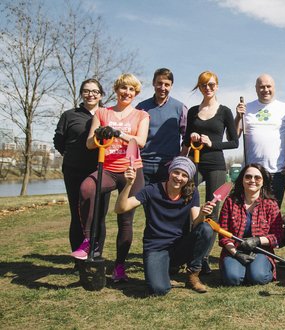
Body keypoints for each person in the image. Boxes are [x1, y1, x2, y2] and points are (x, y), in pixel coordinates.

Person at [71, 73, 150, 283]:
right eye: (123, 88)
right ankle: (89, 241)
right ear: (116, 90)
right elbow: (89, 143)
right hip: (107, 168)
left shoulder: (142, 115)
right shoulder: (102, 113)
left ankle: (119, 267)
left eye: (131, 89)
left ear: (136, 93)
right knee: (87, 188)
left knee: (125, 221)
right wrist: (99, 135)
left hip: (131, 171)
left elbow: (140, 142)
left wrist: (117, 133)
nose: (127, 92)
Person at [114, 156, 216, 295]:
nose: (179, 177)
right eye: (176, 172)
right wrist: (129, 184)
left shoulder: (192, 193)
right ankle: (165, 268)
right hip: (157, 247)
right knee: (158, 289)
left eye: (184, 175)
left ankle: (193, 274)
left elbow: (196, 224)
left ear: (189, 179)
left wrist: (202, 214)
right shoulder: (151, 190)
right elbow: (121, 208)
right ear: (170, 171)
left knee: (206, 228)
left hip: (180, 246)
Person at [181, 70, 239, 273]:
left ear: (217, 86)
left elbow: (234, 142)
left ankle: (203, 257)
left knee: (212, 210)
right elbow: (186, 140)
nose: (208, 88)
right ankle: (186, 251)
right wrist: (192, 137)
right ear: (199, 87)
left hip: (216, 165)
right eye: (204, 85)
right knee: (188, 205)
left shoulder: (224, 111)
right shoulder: (193, 111)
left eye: (212, 85)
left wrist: (211, 142)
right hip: (194, 164)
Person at [54, 78, 110, 254]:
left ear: (101, 95)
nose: (91, 94)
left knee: (99, 215)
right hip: (74, 171)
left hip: (101, 170)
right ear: (81, 93)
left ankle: (95, 253)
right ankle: (79, 258)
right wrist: (74, 156)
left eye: (95, 91)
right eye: (86, 91)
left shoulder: (108, 115)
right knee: (78, 214)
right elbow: (59, 142)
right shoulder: (69, 115)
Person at [235, 74, 285, 208]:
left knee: (272, 213)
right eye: (261, 87)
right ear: (256, 89)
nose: (265, 90)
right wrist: (237, 117)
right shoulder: (246, 109)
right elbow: (234, 136)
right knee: (247, 211)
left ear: (274, 88)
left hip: (276, 172)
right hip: (250, 171)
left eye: (268, 86)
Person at [218, 163, 283, 286]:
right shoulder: (230, 202)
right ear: (242, 180)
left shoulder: (271, 204)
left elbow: (278, 236)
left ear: (263, 181)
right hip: (235, 249)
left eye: (257, 177)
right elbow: (223, 234)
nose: (252, 180)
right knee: (232, 279)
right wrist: (236, 254)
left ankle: (256, 270)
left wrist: (258, 240)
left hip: (260, 250)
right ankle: (240, 270)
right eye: (248, 177)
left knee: (258, 277)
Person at [136, 68, 188, 185]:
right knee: (142, 201)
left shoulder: (180, 108)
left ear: (171, 86)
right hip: (144, 164)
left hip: (168, 165)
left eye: (167, 85)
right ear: (153, 83)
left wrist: (179, 159)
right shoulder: (141, 107)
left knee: (164, 201)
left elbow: (187, 138)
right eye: (159, 83)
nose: (163, 88)